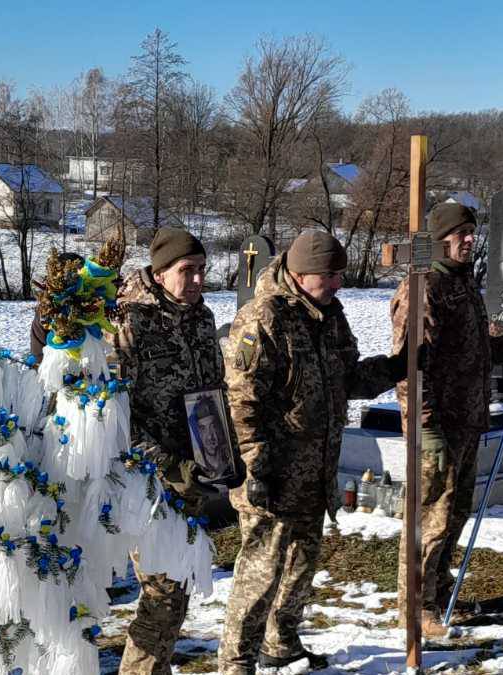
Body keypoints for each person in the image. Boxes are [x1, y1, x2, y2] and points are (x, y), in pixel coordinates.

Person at [218, 230, 410, 675]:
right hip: (272, 471)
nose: (339, 284)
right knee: (260, 572)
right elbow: (241, 401)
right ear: (302, 275)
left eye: (340, 274)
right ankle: (235, 662)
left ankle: (280, 641)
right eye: (331, 276)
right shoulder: (263, 318)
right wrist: (255, 467)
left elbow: (348, 379)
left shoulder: (330, 314)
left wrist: (398, 365)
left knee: (302, 563)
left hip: (315, 467)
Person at [391, 203, 503, 638]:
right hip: (437, 427)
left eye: (472, 233)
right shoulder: (425, 287)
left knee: (454, 516)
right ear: (441, 238)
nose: (469, 240)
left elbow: (474, 350)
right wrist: (425, 426)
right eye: (461, 233)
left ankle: (439, 596)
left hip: (467, 422)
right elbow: (409, 366)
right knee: (429, 521)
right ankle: (414, 608)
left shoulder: (462, 284)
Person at [113, 227, 239, 675]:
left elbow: (213, 391)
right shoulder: (129, 322)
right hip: (148, 477)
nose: (198, 280)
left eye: (203, 270)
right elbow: (116, 415)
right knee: (164, 591)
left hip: (195, 474)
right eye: (188, 270)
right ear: (160, 272)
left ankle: (155, 666)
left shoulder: (201, 318)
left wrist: (225, 451)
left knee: (176, 586)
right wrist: (170, 465)